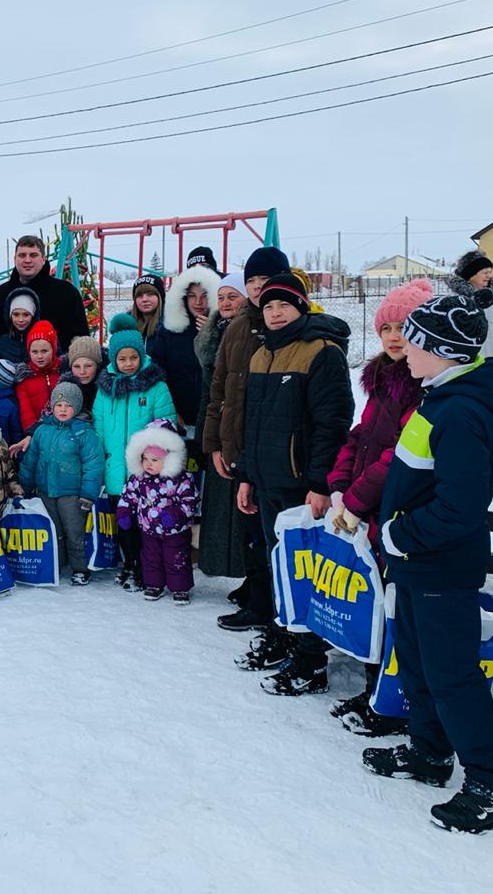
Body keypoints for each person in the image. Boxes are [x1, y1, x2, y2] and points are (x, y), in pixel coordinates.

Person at [362, 293, 493, 834]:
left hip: (440, 565)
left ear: (444, 351)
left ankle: (491, 785)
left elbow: (460, 506)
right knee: (418, 664)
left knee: (453, 675)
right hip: (415, 564)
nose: (404, 349)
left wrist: (400, 534)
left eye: (415, 341)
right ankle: (429, 754)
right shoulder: (438, 396)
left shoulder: (461, 413)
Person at [236, 273, 354, 696]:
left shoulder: (322, 352)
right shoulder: (261, 354)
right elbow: (252, 424)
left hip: (302, 486)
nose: (275, 313)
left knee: (304, 571)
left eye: (284, 305)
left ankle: (310, 658)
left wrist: (322, 482)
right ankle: (283, 636)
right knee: (277, 567)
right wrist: (247, 475)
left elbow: (333, 423)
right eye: (268, 307)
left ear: (302, 307)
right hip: (267, 481)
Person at [325, 278, 431, 736]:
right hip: (370, 507)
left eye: (403, 327)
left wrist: (354, 498)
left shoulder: (422, 387)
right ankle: (377, 689)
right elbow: (362, 436)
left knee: (395, 609)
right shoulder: (384, 379)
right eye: (386, 326)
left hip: (400, 511)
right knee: (375, 601)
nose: (393, 336)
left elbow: (398, 458)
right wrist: (337, 483)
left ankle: (393, 701)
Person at [205, 246, 288, 626]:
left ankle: (277, 609)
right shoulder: (239, 326)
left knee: (276, 535)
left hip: (280, 451)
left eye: (264, 280)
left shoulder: (285, 323)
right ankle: (258, 601)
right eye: (251, 281)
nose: (257, 288)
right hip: (240, 444)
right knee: (253, 530)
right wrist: (216, 445)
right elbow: (219, 390)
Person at [93, 313, 178, 590]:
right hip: (116, 467)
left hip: (146, 470)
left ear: (141, 356)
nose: (128, 364)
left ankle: (146, 566)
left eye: (133, 358)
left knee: (147, 522)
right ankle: (129, 562)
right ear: (114, 360)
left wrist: (156, 459)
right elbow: (99, 425)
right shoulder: (106, 390)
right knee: (124, 521)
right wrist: (103, 456)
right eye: (122, 359)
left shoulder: (156, 387)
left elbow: (166, 425)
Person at [192, 272, 249, 585]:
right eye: (222, 297)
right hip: (214, 419)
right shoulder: (212, 332)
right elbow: (209, 390)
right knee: (218, 496)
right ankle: (219, 562)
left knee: (239, 500)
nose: (226, 303)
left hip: (236, 424)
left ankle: (240, 567)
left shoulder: (247, 333)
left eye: (233, 296)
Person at [18, 382, 104, 585]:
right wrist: (25, 486)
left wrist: (88, 494)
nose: (63, 409)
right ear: (52, 406)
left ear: (77, 407)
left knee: (74, 532)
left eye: (68, 405)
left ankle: (80, 568)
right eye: (59, 405)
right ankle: (56, 563)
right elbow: (31, 460)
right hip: (46, 492)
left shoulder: (84, 433)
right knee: (53, 531)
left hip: (72, 494)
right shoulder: (42, 431)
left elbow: (93, 465)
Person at [117, 418, 200, 603]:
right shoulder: (138, 478)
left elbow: (190, 500)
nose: (148, 464)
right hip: (148, 529)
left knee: (176, 559)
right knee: (150, 559)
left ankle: (180, 588)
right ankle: (154, 584)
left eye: (154, 460)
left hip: (175, 530)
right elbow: (128, 496)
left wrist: (175, 515)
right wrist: (124, 513)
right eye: (145, 459)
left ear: (169, 458)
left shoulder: (181, 478)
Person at [148, 264, 221, 429]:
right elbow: (158, 372)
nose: (198, 302)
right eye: (192, 296)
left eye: (204, 296)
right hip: (178, 414)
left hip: (213, 416)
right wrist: (170, 409)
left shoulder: (224, 329)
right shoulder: (170, 331)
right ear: (183, 298)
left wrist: (211, 333)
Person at [0, 235, 89, 341]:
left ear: (43, 259)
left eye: (33, 255)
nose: (27, 260)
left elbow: (81, 338)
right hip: (7, 357)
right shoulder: (1, 294)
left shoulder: (66, 293)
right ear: (15, 259)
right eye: (22, 255)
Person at [446, 251, 493, 359]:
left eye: (490, 272)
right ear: (471, 274)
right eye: (485, 272)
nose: (489, 276)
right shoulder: (455, 299)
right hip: (468, 359)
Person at [15, 320, 60, 432]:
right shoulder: (24, 378)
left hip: (63, 430)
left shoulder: (63, 372)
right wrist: (33, 433)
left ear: (53, 350)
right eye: (34, 352)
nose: (39, 356)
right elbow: (26, 413)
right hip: (38, 433)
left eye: (44, 351)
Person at [0, 286, 40, 364]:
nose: (20, 319)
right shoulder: (2, 342)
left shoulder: (43, 339)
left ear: (33, 316)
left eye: (26, 315)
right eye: (16, 314)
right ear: (10, 315)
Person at [61, 335, 104, 413]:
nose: (82, 372)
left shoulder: (107, 390)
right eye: (77, 366)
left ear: (97, 366)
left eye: (88, 366)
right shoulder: (64, 390)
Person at [128, 272, 165, 345]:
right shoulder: (126, 328)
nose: (144, 299)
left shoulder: (170, 327)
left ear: (160, 297)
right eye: (139, 295)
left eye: (150, 294)